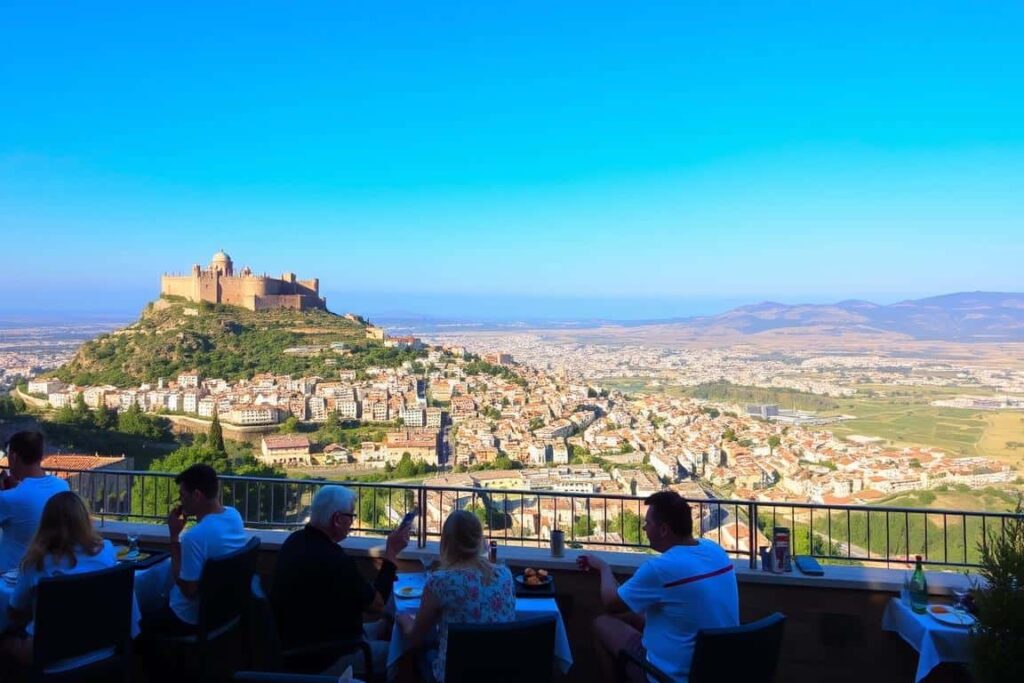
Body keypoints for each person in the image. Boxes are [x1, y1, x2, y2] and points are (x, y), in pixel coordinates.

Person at [579, 491, 739, 683]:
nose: (644, 528)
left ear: (664, 530)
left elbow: (611, 603)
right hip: (721, 670)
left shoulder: (661, 569)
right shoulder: (715, 550)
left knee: (601, 623)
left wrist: (603, 567)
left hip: (668, 676)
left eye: (647, 523)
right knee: (635, 615)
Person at [272, 485, 410, 677]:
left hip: (303, 642)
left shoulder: (294, 542)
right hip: (324, 658)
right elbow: (376, 604)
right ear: (337, 519)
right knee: (403, 653)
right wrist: (392, 552)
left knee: (388, 626)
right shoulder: (333, 560)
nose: (352, 523)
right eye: (351, 516)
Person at [0, 491, 141, 670]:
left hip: (52, 660)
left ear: (45, 524)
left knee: (6, 643)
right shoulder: (106, 551)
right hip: (104, 651)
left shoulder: (37, 563)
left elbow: (14, 612)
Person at [397, 509, 515, 683]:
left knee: (420, 656)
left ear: (445, 542)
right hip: (499, 676)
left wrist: (403, 618)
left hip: (455, 676)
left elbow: (415, 638)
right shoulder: (505, 575)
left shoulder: (440, 583)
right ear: (479, 540)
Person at [141, 463, 247, 635]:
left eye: (182, 495)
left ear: (196, 495)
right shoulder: (234, 515)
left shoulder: (194, 537)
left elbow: (188, 591)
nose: (180, 500)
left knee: (137, 624)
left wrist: (174, 537)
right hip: (225, 613)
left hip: (188, 618)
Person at [0, 431, 70, 571]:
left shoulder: (10, 498)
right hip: (49, 569)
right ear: (40, 456)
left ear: (13, 457)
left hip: (10, 575)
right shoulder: (62, 486)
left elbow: (17, 501)